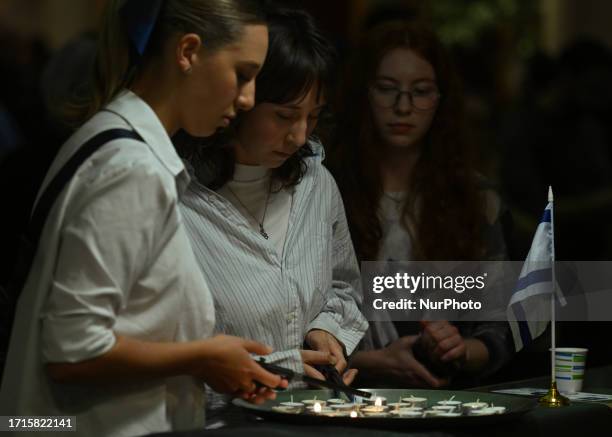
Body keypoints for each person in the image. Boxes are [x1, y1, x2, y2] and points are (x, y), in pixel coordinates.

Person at [0, 1, 288, 436]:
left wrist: (207, 359)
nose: (248, 99)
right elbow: (72, 351)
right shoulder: (131, 166)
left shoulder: (115, 138)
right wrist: (202, 357)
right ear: (188, 51)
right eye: (242, 74)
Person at [176, 7, 368, 421]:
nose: (299, 136)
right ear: (243, 98)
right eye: (284, 116)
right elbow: (164, 355)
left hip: (313, 419)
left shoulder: (315, 182)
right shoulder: (177, 199)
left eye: (312, 117)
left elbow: (343, 287)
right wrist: (276, 366)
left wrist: (327, 332)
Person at [327, 21, 513, 388]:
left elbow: (503, 321)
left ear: (440, 99)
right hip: (339, 396)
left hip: (444, 398)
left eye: (421, 91)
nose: (403, 106)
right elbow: (292, 323)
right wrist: (367, 363)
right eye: (387, 89)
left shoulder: (475, 199)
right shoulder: (325, 188)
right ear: (364, 94)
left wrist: (461, 349)